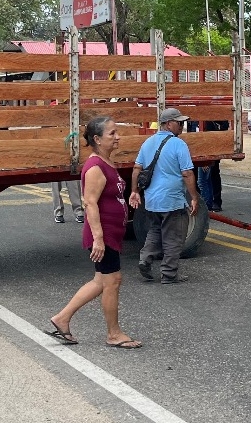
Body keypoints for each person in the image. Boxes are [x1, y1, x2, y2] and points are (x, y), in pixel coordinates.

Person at [45, 117, 142, 348]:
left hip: (109, 234)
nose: (117, 137)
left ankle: (62, 318)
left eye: (117, 132)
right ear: (97, 139)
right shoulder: (95, 167)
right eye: (112, 133)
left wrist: (130, 196)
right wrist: (98, 238)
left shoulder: (106, 163)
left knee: (101, 281)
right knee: (113, 281)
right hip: (103, 235)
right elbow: (90, 203)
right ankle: (114, 334)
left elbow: (110, 195)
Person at [129, 108, 200, 284]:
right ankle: (169, 274)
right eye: (179, 122)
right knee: (174, 237)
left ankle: (145, 258)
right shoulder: (178, 144)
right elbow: (187, 173)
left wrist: (135, 191)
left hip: (152, 200)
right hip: (172, 199)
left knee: (155, 230)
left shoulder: (148, 143)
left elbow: (137, 169)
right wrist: (194, 197)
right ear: (168, 124)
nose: (182, 126)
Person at [197, 120, 228, 212]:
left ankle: (207, 205)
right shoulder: (200, 121)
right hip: (203, 153)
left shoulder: (207, 122)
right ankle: (209, 204)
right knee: (206, 180)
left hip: (206, 154)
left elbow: (208, 140)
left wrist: (205, 158)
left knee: (204, 181)